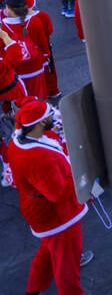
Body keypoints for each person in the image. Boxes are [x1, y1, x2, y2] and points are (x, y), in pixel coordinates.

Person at [7, 99, 93, 295]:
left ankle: (34, 289)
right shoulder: (40, 158)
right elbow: (58, 194)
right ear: (39, 123)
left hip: (38, 213)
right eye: (48, 116)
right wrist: (81, 175)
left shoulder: (17, 144)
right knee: (67, 265)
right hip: (57, 217)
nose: (52, 117)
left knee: (47, 251)